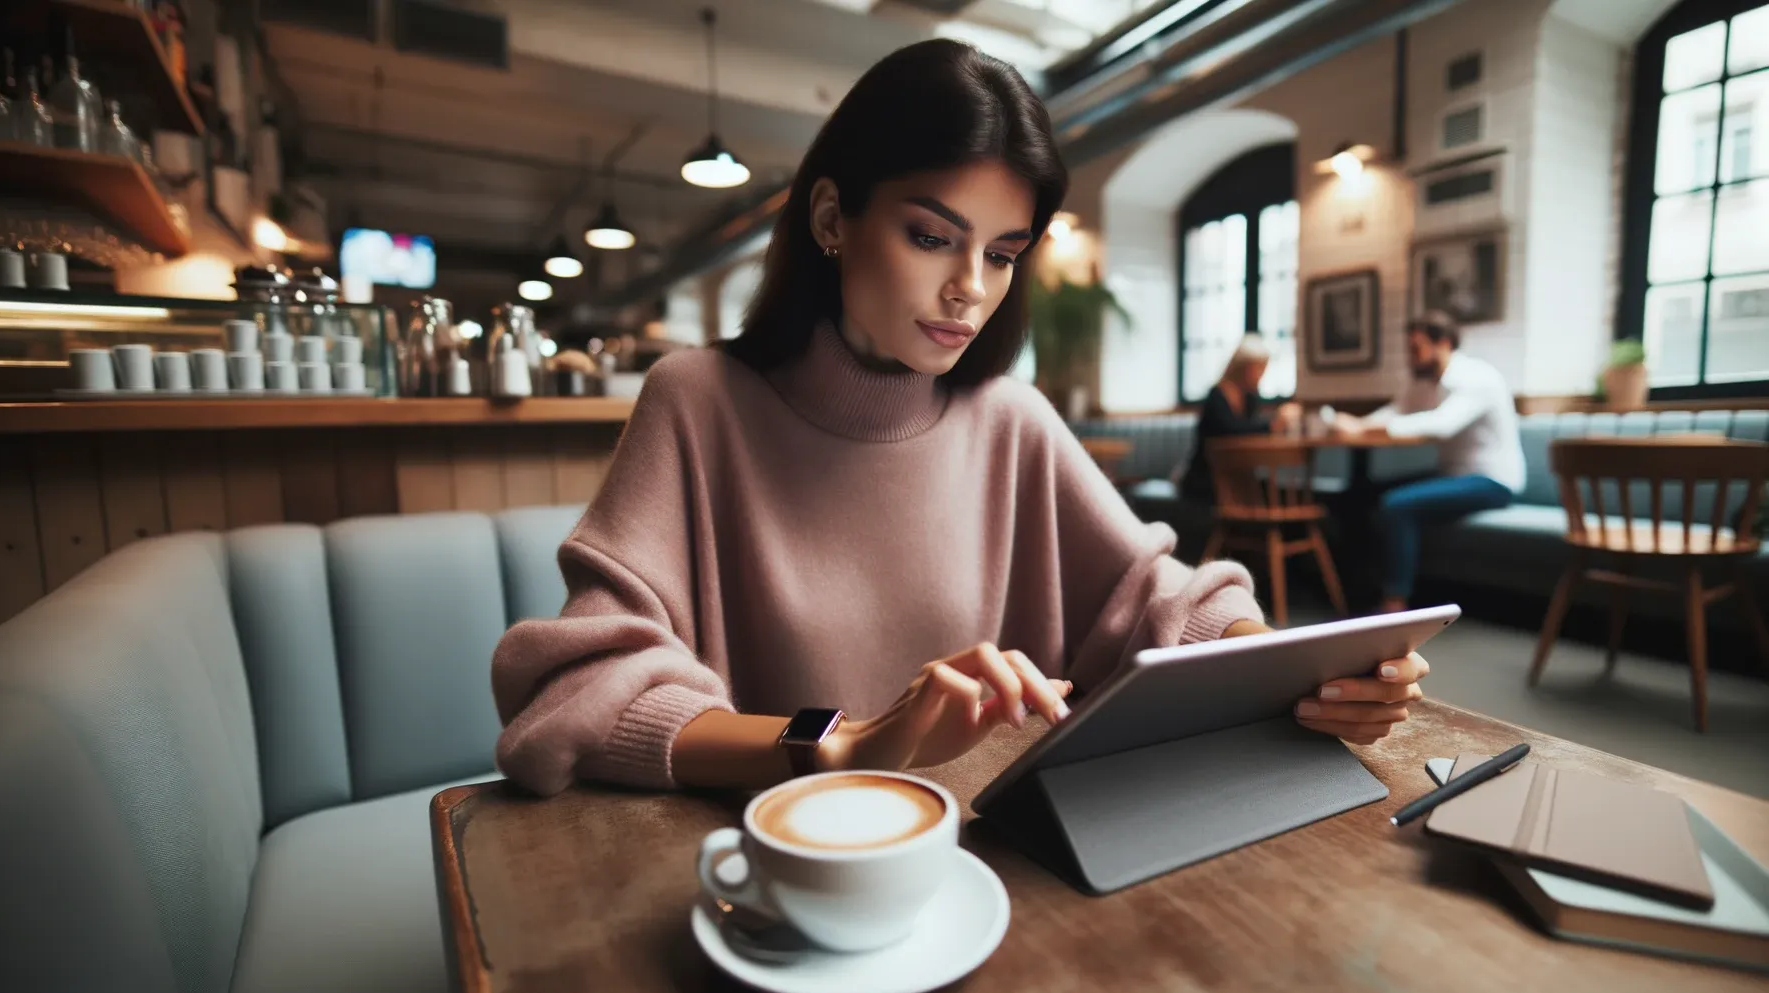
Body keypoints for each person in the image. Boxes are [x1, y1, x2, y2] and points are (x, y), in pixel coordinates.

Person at [489, 40, 1430, 796]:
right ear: (831, 217)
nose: (968, 290)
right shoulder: (696, 400)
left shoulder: (1009, 417)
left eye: (1003, 251)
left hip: (1005, 866)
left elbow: (1161, 599)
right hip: (781, 878)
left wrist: (1294, 673)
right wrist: (847, 743)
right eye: (931, 236)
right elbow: (581, 696)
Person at [1330, 310, 1524, 613]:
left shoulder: (1476, 378)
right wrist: (1357, 422)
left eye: (1416, 348)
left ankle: (1395, 602)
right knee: (1359, 494)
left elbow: (1441, 424)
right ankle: (1356, 589)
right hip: (1452, 475)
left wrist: (1362, 429)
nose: (1411, 357)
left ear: (1443, 343)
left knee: (1397, 505)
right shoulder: (1425, 382)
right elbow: (1397, 411)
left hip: (1491, 481)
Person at [1182, 334, 1301, 502]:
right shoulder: (1217, 397)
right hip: (1208, 476)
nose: (1261, 375)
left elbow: (1248, 430)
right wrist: (1271, 425)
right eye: (1258, 368)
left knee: (1273, 492)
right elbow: (1230, 430)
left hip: (1238, 475)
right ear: (1243, 367)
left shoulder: (1250, 399)